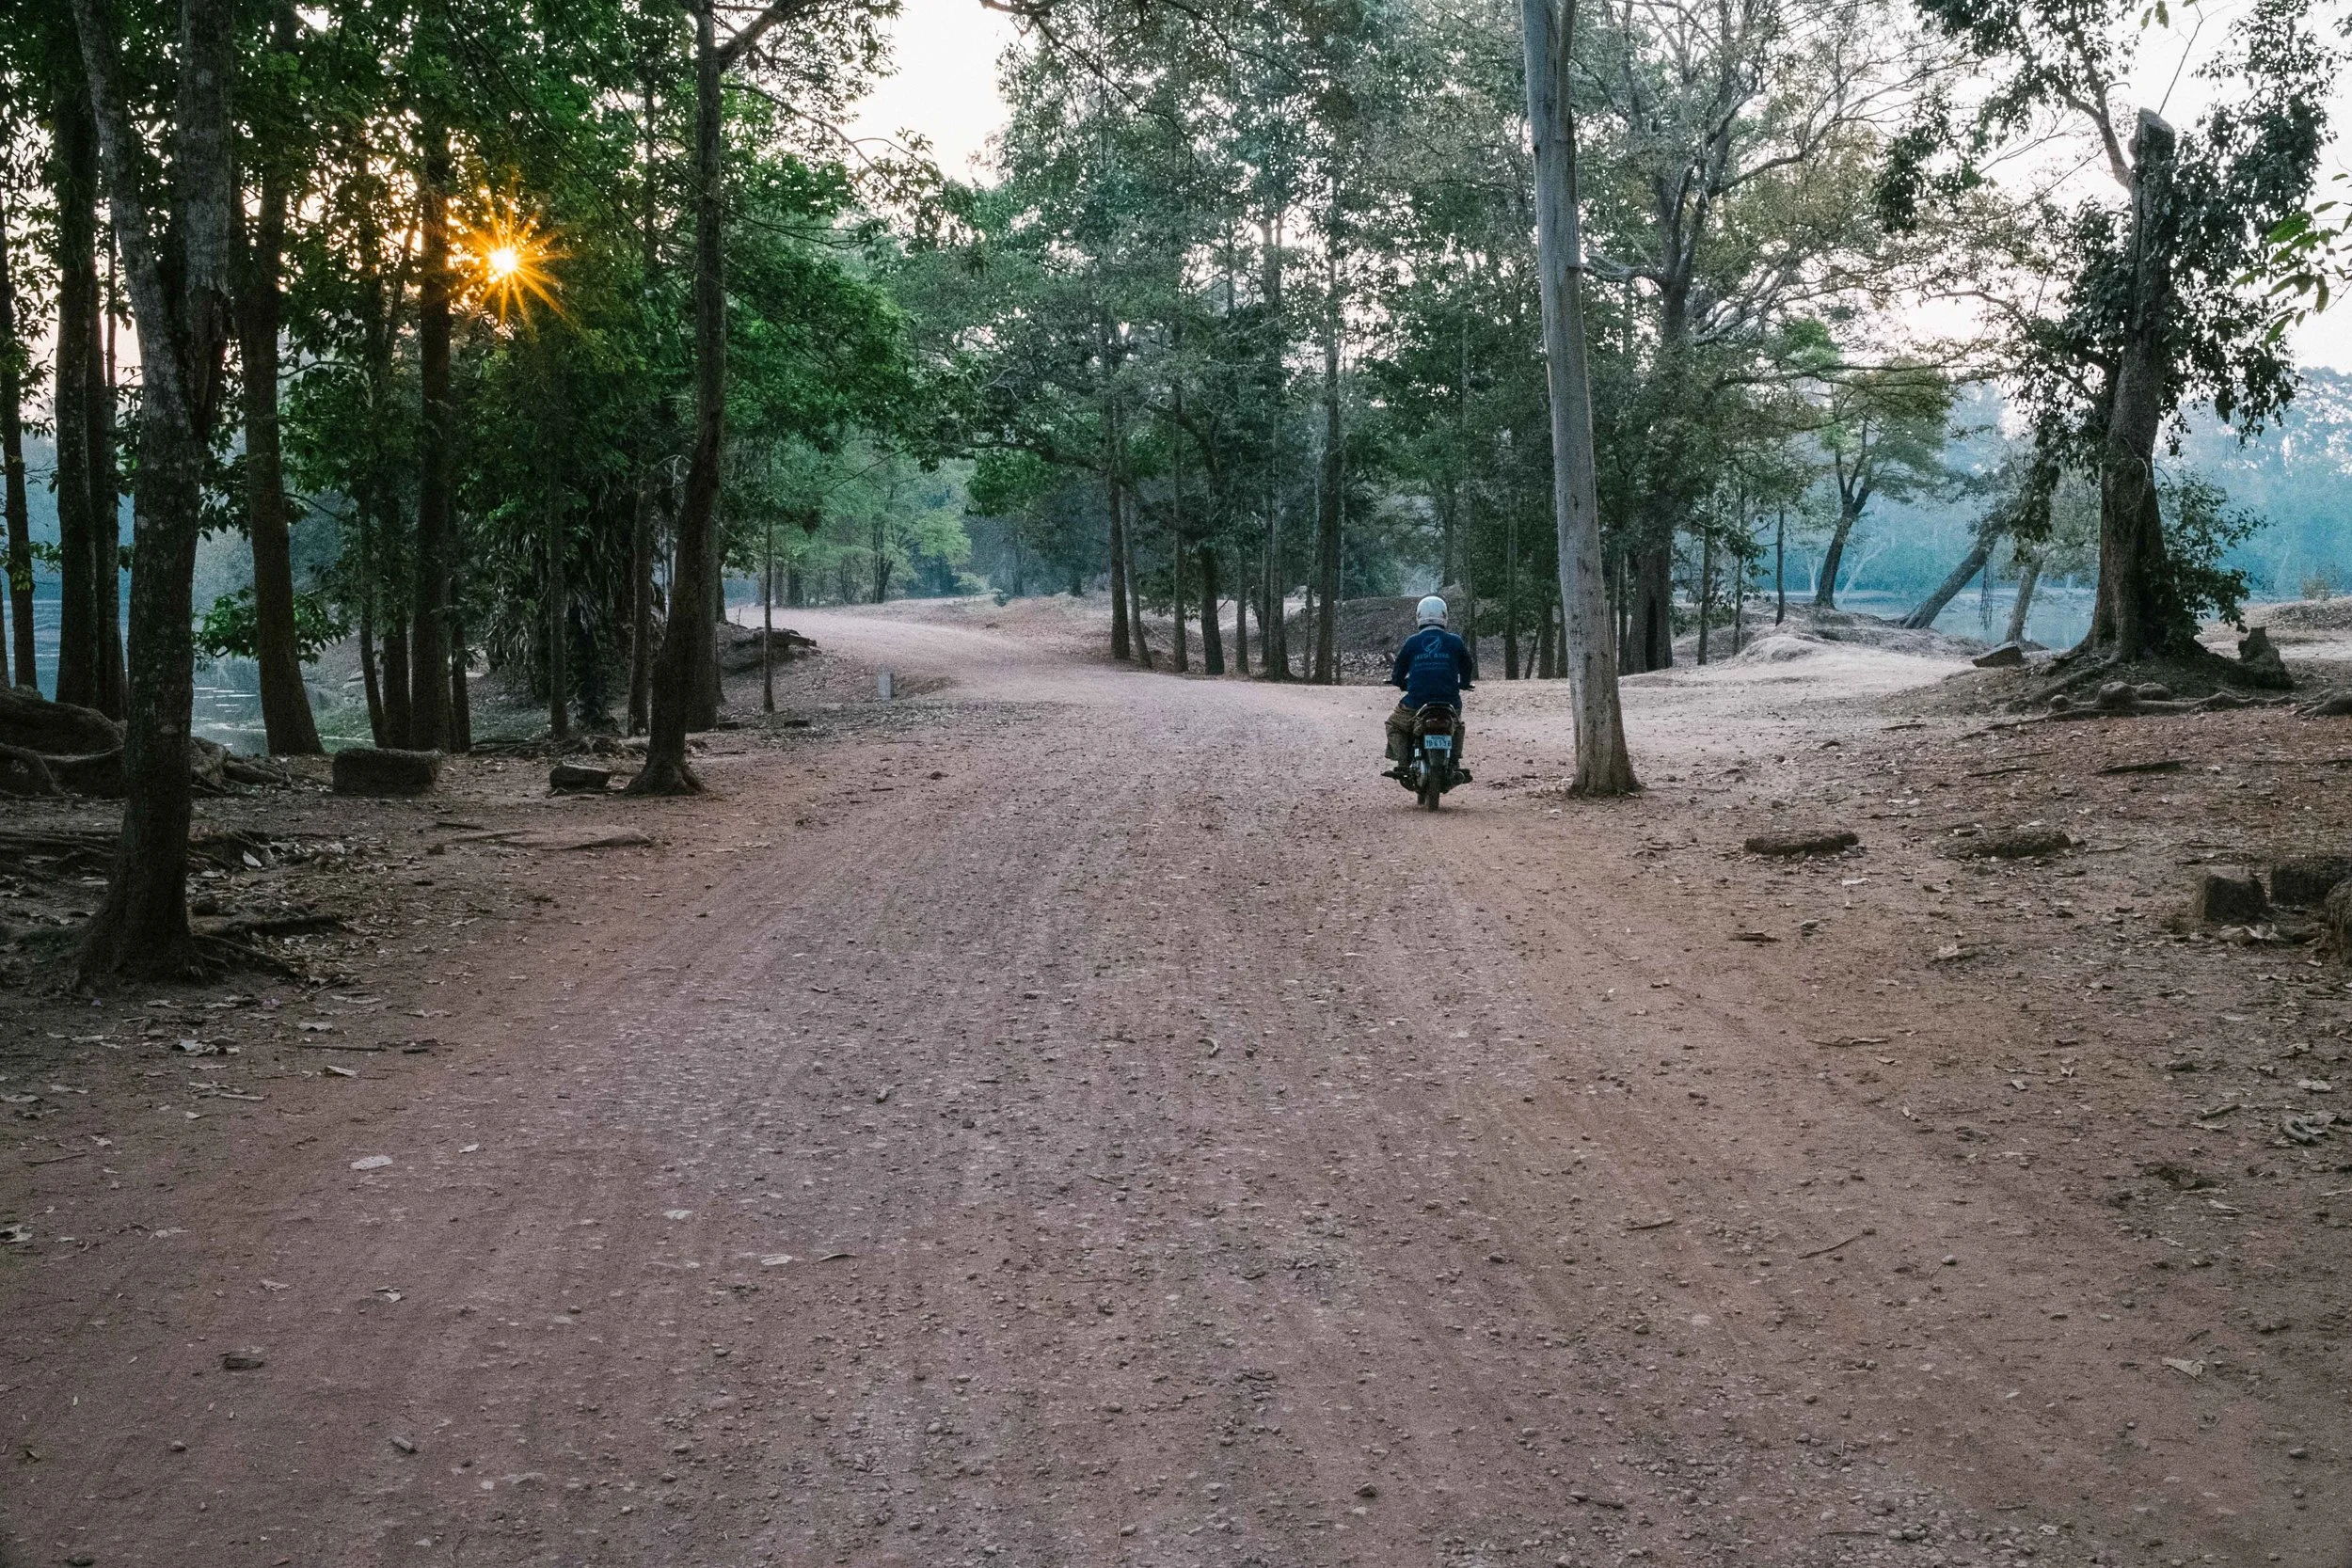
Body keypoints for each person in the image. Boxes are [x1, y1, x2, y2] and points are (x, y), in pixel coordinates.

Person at [1384, 594, 1476, 782]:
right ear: (1444, 615)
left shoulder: (1412, 642)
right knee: (1456, 725)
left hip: (1416, 702)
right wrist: (1464, 683)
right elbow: (1467, 665)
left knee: (1393, 725)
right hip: (1449, 702)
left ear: (1419, 615)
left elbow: (1399, 670)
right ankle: (1455, 762)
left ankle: (1403, 764)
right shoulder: (1455, 641)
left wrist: (1399, 682)